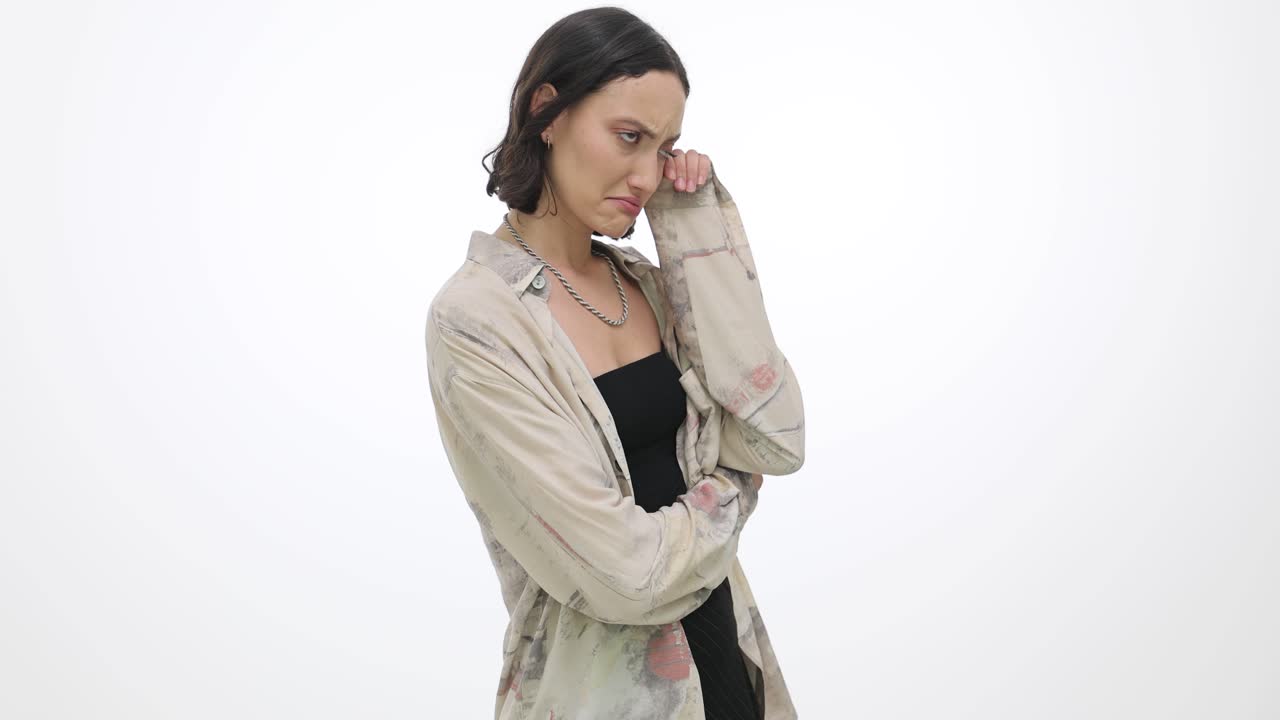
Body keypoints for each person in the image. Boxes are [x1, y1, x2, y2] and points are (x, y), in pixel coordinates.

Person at [424, 7, 805, 719]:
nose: (646, 174)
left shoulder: (648, 285)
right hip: (599, 697)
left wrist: (695, 232)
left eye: (664, 148)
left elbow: (774, 437)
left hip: (727, 669)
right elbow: (627, 576)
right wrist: (732, 492)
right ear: (548, 112)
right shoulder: (477, 321)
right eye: (628, 136)